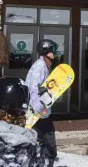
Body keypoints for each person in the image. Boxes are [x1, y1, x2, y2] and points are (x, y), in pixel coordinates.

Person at [25, 39, 58, 167]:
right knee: (48, 146)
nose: (55, 52)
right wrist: (39, 108)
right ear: (45, 50)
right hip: (38, 114)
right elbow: (33, 88)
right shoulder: (40, 66)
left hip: (42, 113)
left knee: (46, 146)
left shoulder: (44, 65)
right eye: (52, 50)